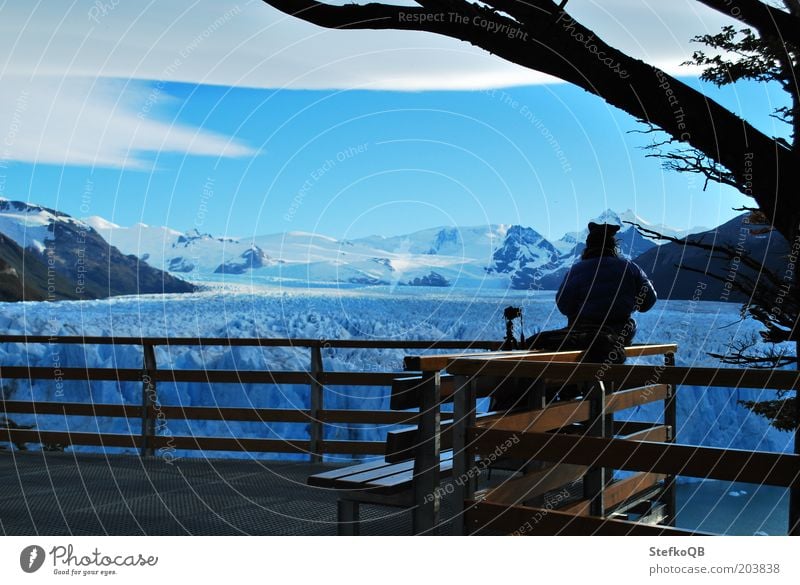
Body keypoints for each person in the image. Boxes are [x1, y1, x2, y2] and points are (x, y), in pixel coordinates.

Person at [554, 222, 657, 360]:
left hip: (583, 335)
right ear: (613, 246)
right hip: (619, 335)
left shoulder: (575, 271)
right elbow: (648, 301)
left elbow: (564, 306)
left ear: (588, 247)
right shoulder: (630, 268)